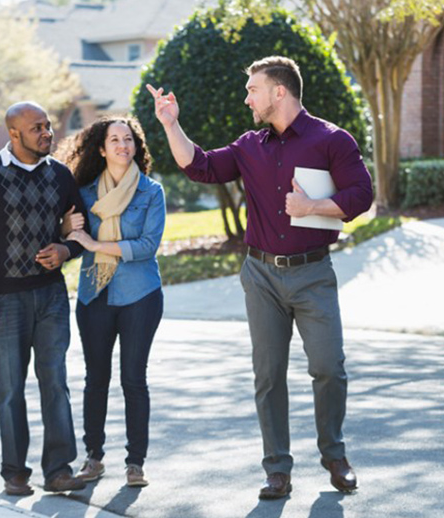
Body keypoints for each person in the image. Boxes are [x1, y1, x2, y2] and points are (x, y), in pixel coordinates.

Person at [146, 55, 373, 499]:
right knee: (268, 375)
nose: (246, 97)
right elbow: (202, 166)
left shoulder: (332, 140)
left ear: (279, 92)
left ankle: (334, 455)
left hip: (313, 273)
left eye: (253, 90)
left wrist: (312, 208)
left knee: (329, 368)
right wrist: (171, 124)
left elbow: (361, 195)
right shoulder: (250, 145)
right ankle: (277, 469)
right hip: (261, 275)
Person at [0, 101, 87, 496]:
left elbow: (80, 228)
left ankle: (59, 470)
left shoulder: (60, 174)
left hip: (50, 297)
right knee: (10, 387)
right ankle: (14, 472)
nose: (47, 133)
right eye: (37, 128)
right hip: (3, 299)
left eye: (47, 126)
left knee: (55, 382)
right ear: (14, 134)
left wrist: (66, 251)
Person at [59, 116, 165, 488]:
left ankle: (135, 463)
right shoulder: (84, 193)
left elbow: (148, 246)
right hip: (94, 294)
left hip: (141, 296)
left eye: (129, 139)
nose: (123, 145)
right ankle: (94, 457)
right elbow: (70, 236)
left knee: (134, 379)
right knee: (96, 379)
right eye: (114, 140)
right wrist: (67, 232)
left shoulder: (152, 192)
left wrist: (96, 245)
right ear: (101, 149)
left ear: (136, 147)